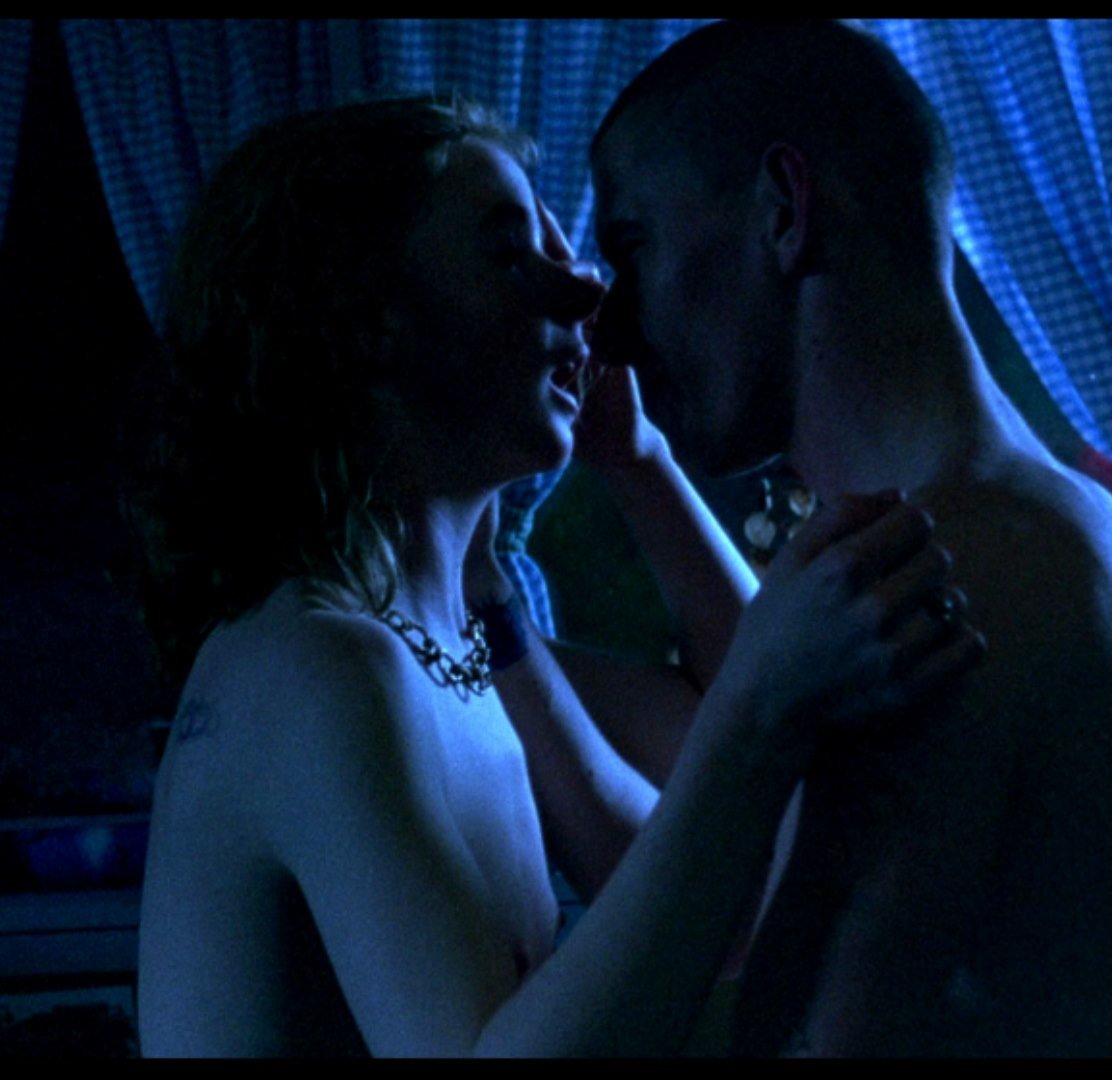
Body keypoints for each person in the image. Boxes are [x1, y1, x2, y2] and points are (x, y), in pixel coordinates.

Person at [124, 93, 982, 1057]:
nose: (585, 290)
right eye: (509, 253)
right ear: (367, 322)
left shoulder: (452, 649)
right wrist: (760, 705)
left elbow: (712, 883)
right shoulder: (319, 667)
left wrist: (639, 459)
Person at [585, 19, 1112, 1056]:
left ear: (784, 211)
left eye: (632, 245)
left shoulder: (916, 601)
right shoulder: (1093, 534)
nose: (611, 326)